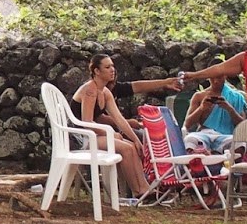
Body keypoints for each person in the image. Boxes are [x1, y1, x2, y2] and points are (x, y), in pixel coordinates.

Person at [73, 53, 182, 198]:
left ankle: (144, 188)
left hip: (94, 135)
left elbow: (119, 119)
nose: (112, 70)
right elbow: (87, 122)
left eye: (112, 66)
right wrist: (110, 133)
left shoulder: (105, 92)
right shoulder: (90, 90)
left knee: (132, 146)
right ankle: (138, 191)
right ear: (97, 71)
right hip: (80, 137)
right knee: (126, 149)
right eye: (107, 67)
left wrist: (136, 141)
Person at [183, 77, 247, 153]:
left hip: (226, 136)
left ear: (224, 76)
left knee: (240, 143)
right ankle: (201, 157)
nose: (216, 81)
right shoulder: (199, 96)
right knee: (189, 139)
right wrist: (201, 108)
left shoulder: (236, 97)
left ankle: (220, 156)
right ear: (208, 77)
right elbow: (187, 124)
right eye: (213, 78)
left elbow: (243, 126)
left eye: (219, 78)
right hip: (204, 134)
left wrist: (229, 109)